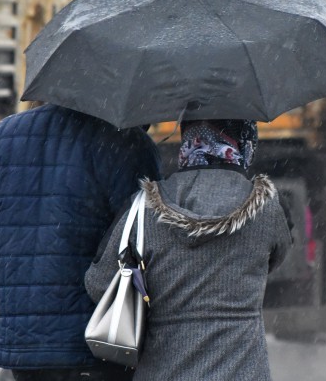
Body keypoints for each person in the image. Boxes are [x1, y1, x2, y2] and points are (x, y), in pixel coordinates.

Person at [0, 104, 161, 381]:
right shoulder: (125, 142)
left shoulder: (2, 136)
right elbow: (148, 240)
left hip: (25, 349)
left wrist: (23, 243)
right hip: (100, 341)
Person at [85, 118, 292, 380]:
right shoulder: (268, 207)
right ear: (244, 139)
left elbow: (98, 284)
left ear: (188, 138)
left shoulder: (142, 209)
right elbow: (275, 258)